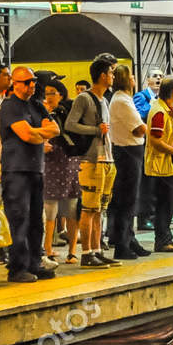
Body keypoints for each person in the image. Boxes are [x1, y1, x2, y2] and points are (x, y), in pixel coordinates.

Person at [0, 64, 57, 281]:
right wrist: (38, 133)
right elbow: (26, 136)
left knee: (36, 220)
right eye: (27, 82)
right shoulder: (10, 106)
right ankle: (17, 267)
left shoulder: (36, 105)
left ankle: (34, 262)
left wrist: (36, 132)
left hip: (35, 169)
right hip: (16, 170)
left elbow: (55, 130)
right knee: (19, 218)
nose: (32, 85)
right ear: (15, 84)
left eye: (33, 81)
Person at [66, 54, 116, 268]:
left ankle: (96, 249)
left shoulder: (104, 99)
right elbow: (70, 124)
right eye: (111, 72)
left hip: (107, 159)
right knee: (88, 208)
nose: (113, 76)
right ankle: (86, 252)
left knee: (99, 209)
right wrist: (96, 130)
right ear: (103, 75)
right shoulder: (84, 98)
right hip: (91, 160)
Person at [107, 64, 149, 260]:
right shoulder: (122, 101)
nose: (134, 79)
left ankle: (129, 239)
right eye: (131, 76)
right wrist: (146, 126)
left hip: (126, 150)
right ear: (125, 79)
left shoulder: (122, 99)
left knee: (126, 198)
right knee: (128, 199)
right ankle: (122, 244)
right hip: (128, 151)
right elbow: (139, 129)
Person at [38, 79, 80, 267]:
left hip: (68, 161)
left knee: (71, 207)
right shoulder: (41, 112)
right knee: (50, 207)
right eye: (46, 93)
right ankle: (48, 248)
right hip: (50, 162)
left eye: (52, 93)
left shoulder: (66, 112)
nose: (48, 97)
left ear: (61, 95)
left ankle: (72, 250)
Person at [143, 76, 173, 253]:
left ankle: (166, 238)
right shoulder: (159, 111)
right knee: (165, 203)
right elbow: (154, 139)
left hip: (168, 164)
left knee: (168, 203)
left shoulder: (166, 109)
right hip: (162, 164)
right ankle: (162, 240)